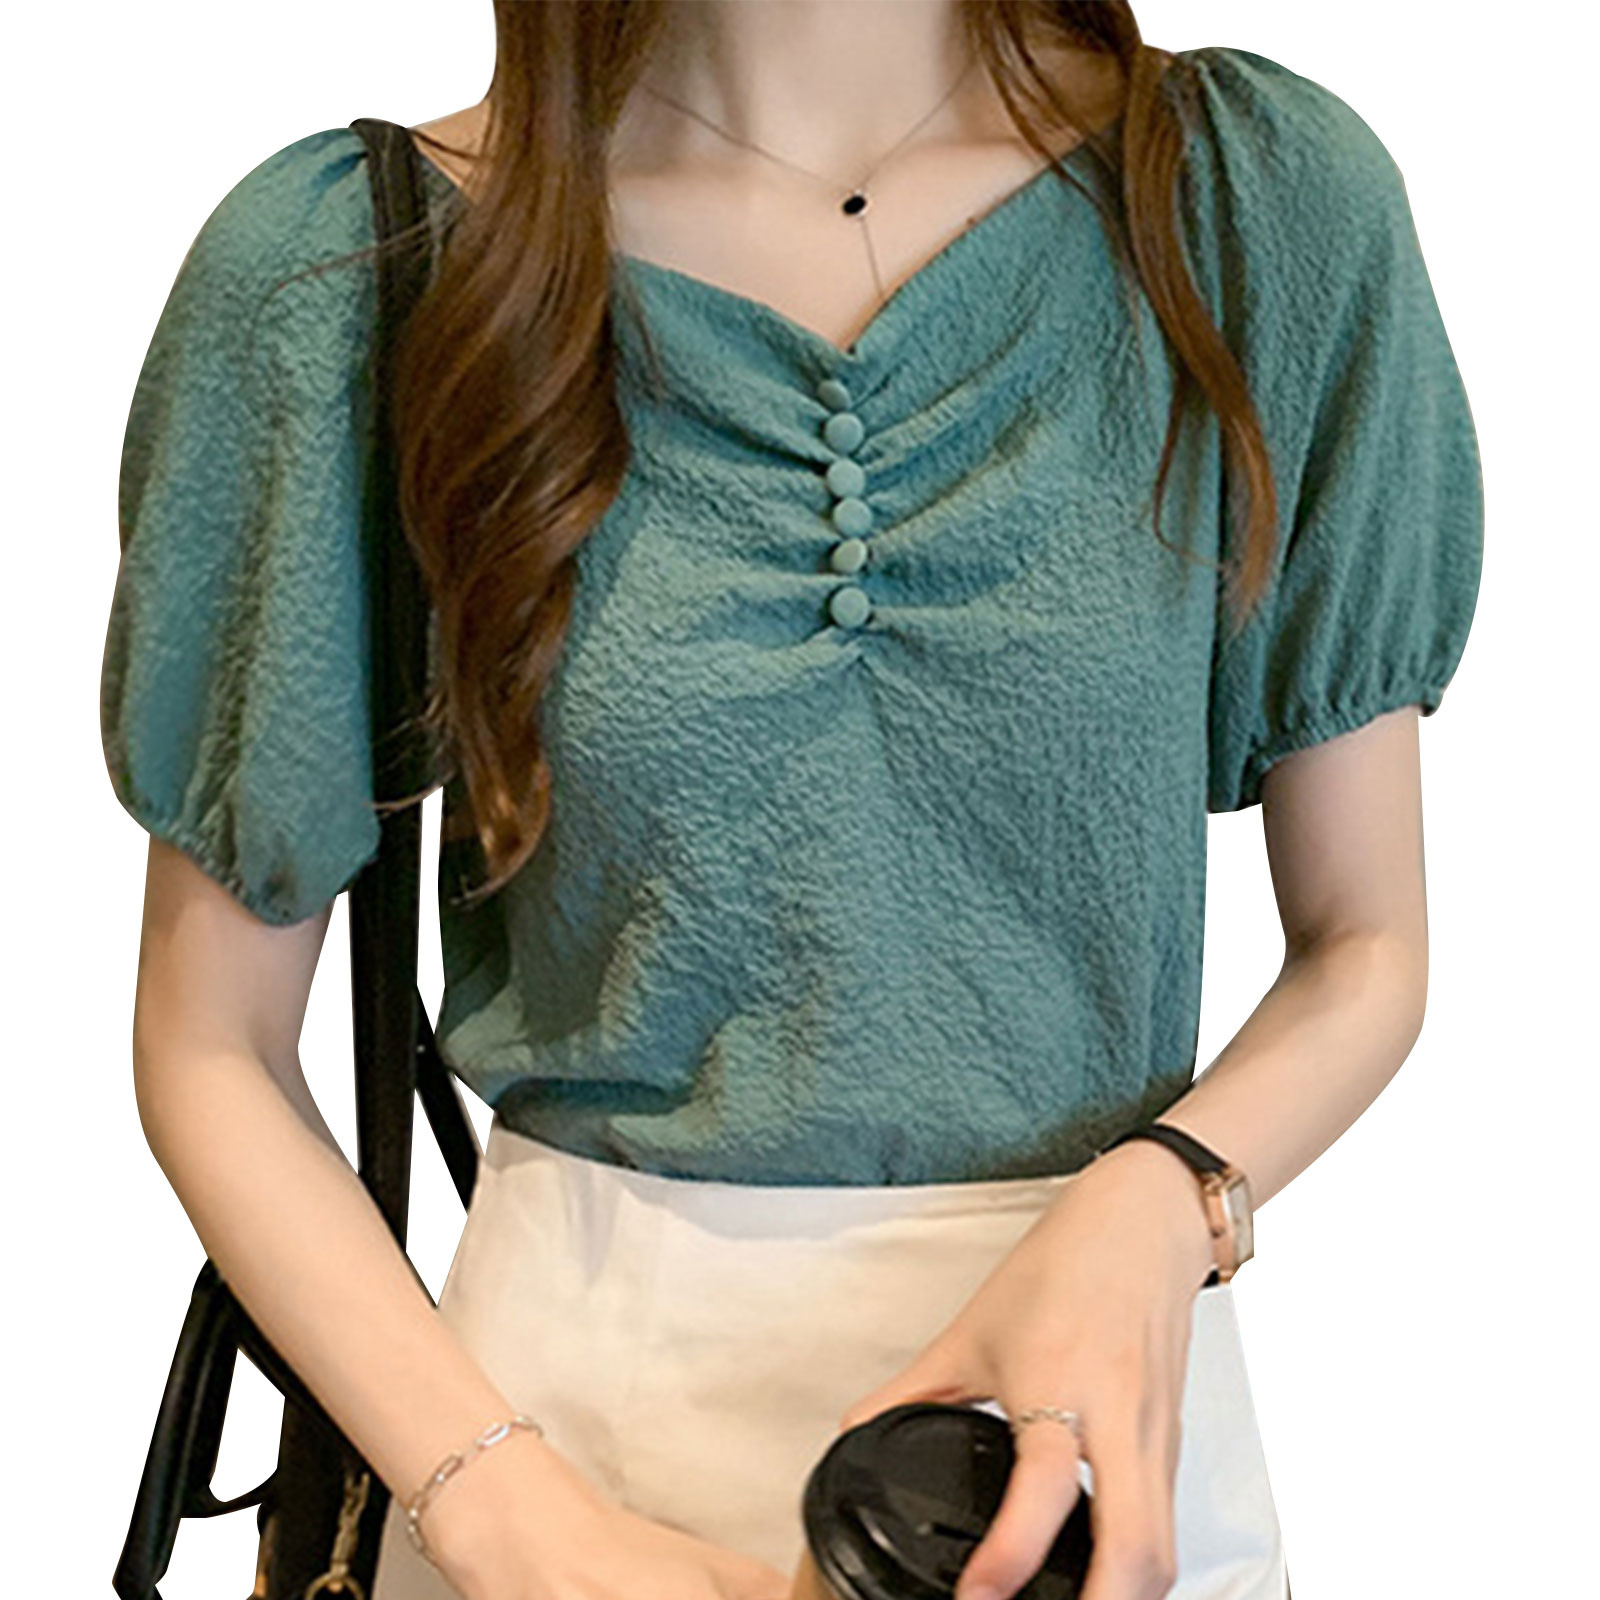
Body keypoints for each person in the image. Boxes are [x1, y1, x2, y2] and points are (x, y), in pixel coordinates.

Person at [98, 4, 1483, 1599]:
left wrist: (1169, 1195)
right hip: (563, 1470)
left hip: (1108, 1485)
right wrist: (501, 1511)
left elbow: (1367, 946)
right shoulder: (363, 267)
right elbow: (210, 1043)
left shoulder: (1253, 205)